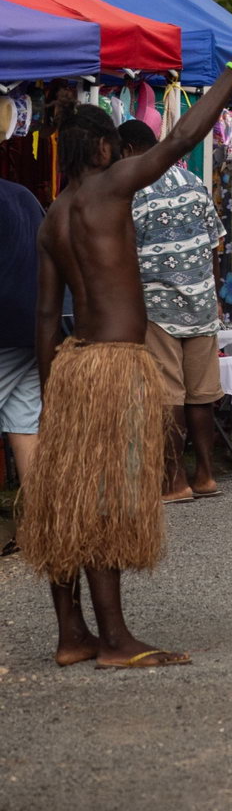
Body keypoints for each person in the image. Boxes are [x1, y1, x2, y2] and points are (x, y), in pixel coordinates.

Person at [18, 38, 232, 669]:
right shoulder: (111, 189)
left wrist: (53, 398)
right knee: (103, 499)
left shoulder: (53, 217)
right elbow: (182, 138)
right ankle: (115, 641)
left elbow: (47, 319)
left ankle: (71, 635)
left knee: (67, 497)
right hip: (115, 365)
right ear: (103, 148)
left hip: (73, 366)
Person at [118, 119, 226, 504]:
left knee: (169, 397)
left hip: (157, 306)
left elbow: (125, 256)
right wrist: (210, 293)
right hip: (201, 300)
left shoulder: (130, 190)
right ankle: (206, 475)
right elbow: (216, 243)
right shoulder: (193, 182)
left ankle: (174, 479)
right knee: (201, 395)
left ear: (127, 149)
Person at [0, 178, 45, 550]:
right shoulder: (23, 195)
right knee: (24, 422)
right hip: (36, 327)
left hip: (7, 326)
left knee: (26, 421)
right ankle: (40, 526)